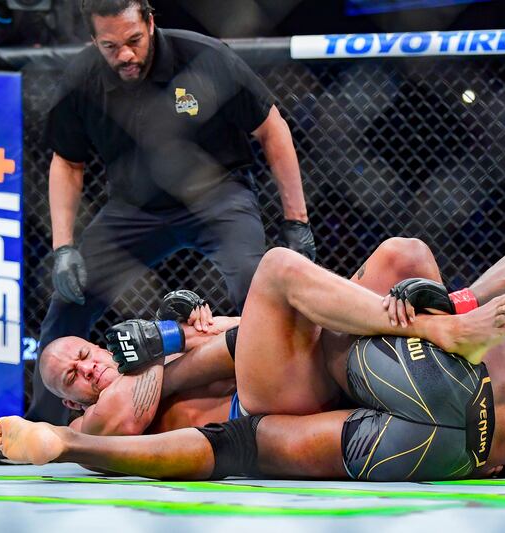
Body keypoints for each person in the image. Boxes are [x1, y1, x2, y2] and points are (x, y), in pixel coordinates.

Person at [0, 238, 505, 481]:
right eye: (71, 379)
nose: (84, 370)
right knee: (279, 267)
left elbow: (241, 336)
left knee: (401, 253)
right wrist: (170, 341)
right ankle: (445, 328)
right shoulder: (92, 411)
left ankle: (450, 317)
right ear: (71, 400)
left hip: (303, 380)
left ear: (93, 342)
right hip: (261, 413)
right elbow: (124, 416)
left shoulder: (142, 353)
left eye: (80, 356)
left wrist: (196, 331)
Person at [28, 0, 315, 426]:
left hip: (218, 196)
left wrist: (297, 222)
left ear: (150, 20)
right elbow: (67, 162)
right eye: (110, 46)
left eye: (133, 41)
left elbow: (272, 128)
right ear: (93, 40)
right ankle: (43, 426)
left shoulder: (205, 57)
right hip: (134, 210)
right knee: (67, 303)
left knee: (255, 286)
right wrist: (64, 247)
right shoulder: (84, 79)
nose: (124, 54)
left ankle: (281, 398)